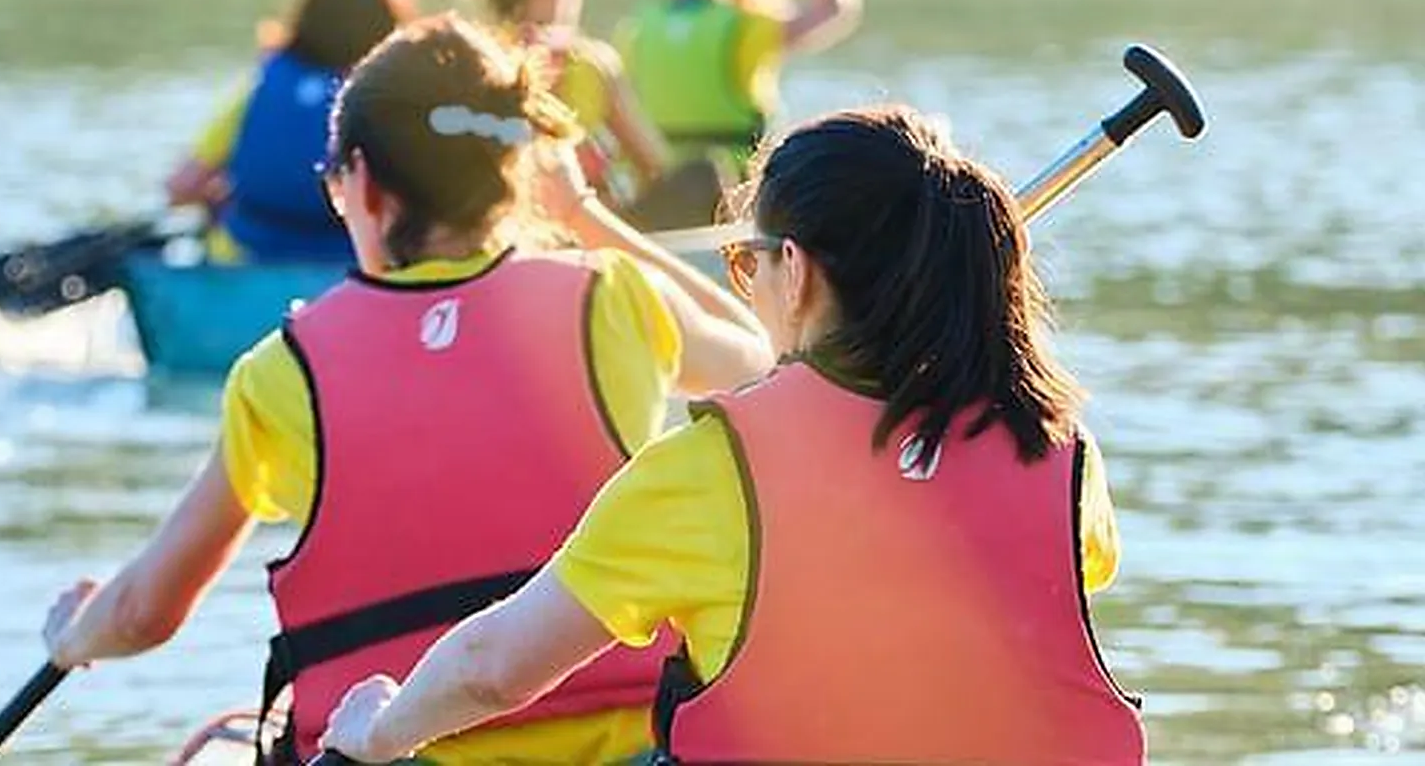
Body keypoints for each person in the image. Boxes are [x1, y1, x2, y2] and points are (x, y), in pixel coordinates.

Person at [42, 15, 774, 765]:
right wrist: (582, 215)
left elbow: (142, 613)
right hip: (634, 747)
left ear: (360, 181)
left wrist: (72, 635)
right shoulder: (612, 295)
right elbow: (757, 356)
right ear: (515, 173)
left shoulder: (281, 371)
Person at [319, 104, 1146, 765]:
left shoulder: (711, 470)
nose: (745, 286)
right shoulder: (1060, 451)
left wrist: (376, 733)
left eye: (747, 265)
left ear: (798, 269)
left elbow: (494, 671)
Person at [164, 0, 418, 263]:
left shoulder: (261, 89)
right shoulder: (394, 103)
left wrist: (220, 198)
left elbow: (180, 188)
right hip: (353, 263)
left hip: (247, 254)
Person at [429, 0, 671, 210]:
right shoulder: (589, 62)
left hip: (496, 230)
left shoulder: (462, 60)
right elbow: (652, 164)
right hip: (583, 226)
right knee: (701, 178)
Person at [615, 0, 863, 173]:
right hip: (734, 186)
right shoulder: (746, 24)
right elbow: (834, 6)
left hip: (659, 187)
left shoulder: (639, 26)